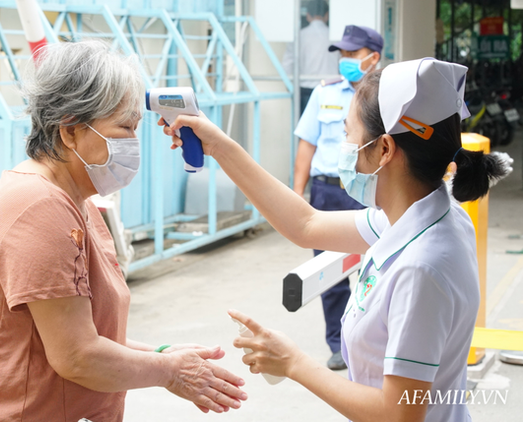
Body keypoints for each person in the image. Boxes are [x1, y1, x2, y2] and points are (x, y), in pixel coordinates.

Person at [160, 57, 512, 421]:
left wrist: (293, 363)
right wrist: (218, 145)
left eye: (348, 135)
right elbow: (306, 224)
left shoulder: (422, 267)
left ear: (385, 150)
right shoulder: (422, 216)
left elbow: (398, 414)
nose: (343, 148)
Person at [0, 40, 247, 422]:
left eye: (135, 129)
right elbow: (78, 356)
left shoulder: (73, 201)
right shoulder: (38, 210)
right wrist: (172, 372)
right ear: (69, 131)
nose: (133, 143)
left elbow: (87, 333)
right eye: (123, 128)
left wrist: (161, 355)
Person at [292, 24, 383, 370]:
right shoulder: (324, 93)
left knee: (376, 270)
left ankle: (371, 340)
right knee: (328, 273)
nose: (344, 60)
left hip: (370, 192)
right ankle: (338, 343)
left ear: (372, 58)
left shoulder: (385, 98)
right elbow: (307, 143)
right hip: (327, 191)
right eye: (341, 54)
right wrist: (297, 194)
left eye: (351, 54)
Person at [282, 0, 339, 112]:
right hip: (330, 89)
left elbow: (287, 64)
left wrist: (289, 86)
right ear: (327, 15)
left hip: (305, 92)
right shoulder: (335, 38)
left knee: (305, 128)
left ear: (307, 15)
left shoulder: (299, 37)